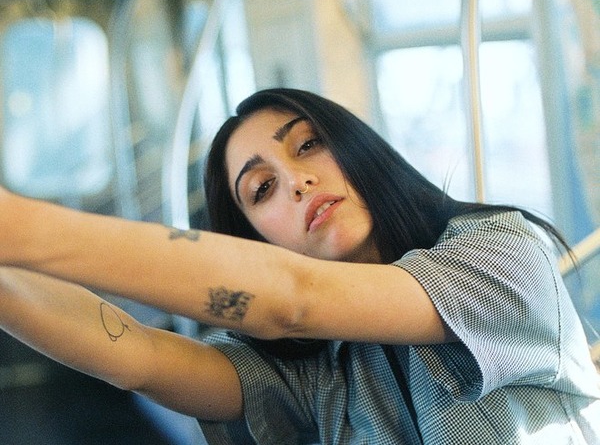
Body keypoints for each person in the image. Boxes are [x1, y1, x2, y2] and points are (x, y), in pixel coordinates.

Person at [0, 87, 598, 444]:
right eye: (261, 189)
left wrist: (21, 227)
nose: (296, 180)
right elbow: (136, 355)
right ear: (255, 241)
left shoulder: (501, 253)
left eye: (308, 144)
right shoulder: (318, 370)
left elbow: (294, 297)